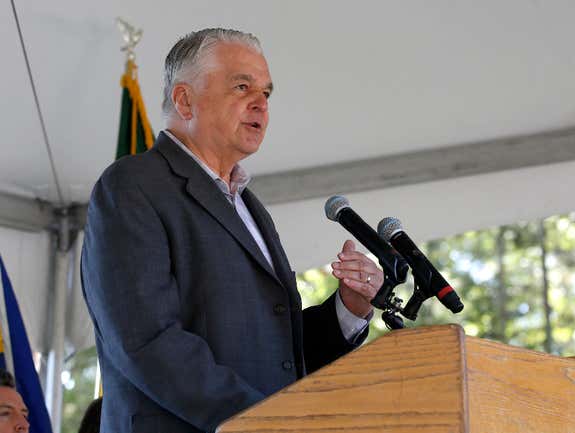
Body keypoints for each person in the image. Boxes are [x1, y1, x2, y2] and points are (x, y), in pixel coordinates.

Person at [81, 28, 384, 433]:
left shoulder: (248, 205)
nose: (261, 103)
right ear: (184, 100)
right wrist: (263, 421)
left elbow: (281, 354)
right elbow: (147, 341)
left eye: (267, 93)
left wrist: (349, 306)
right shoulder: (132, 186)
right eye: (242, 86)